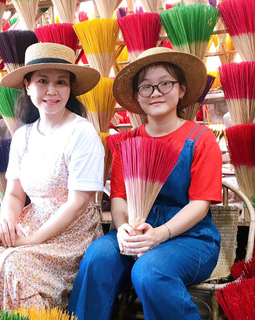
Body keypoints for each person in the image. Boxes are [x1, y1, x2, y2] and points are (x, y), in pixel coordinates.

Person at [69, 47, 222, 320]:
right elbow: (118, 199)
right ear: (138, 97)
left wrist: (159, 234)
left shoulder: (201, 138)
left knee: (150, 270)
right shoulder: (127, 143)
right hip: (136, 233)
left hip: (190, 239)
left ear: (182, 89)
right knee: (97, 256)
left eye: (165, 83)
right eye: (146, 87)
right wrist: (123, 228)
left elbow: (200, 205)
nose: (156, 92)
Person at [0, 42, 105, 310]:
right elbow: (13, 193)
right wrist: (7, 222)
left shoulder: (82, 134)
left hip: (70, 235)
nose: (52, 91)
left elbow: (78, 202)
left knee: (15, 268)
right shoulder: (23, 136)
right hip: (31, 223)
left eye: (61, 82)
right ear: (27, 85)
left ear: (70, 88)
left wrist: (32, 240)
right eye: (42, 81)